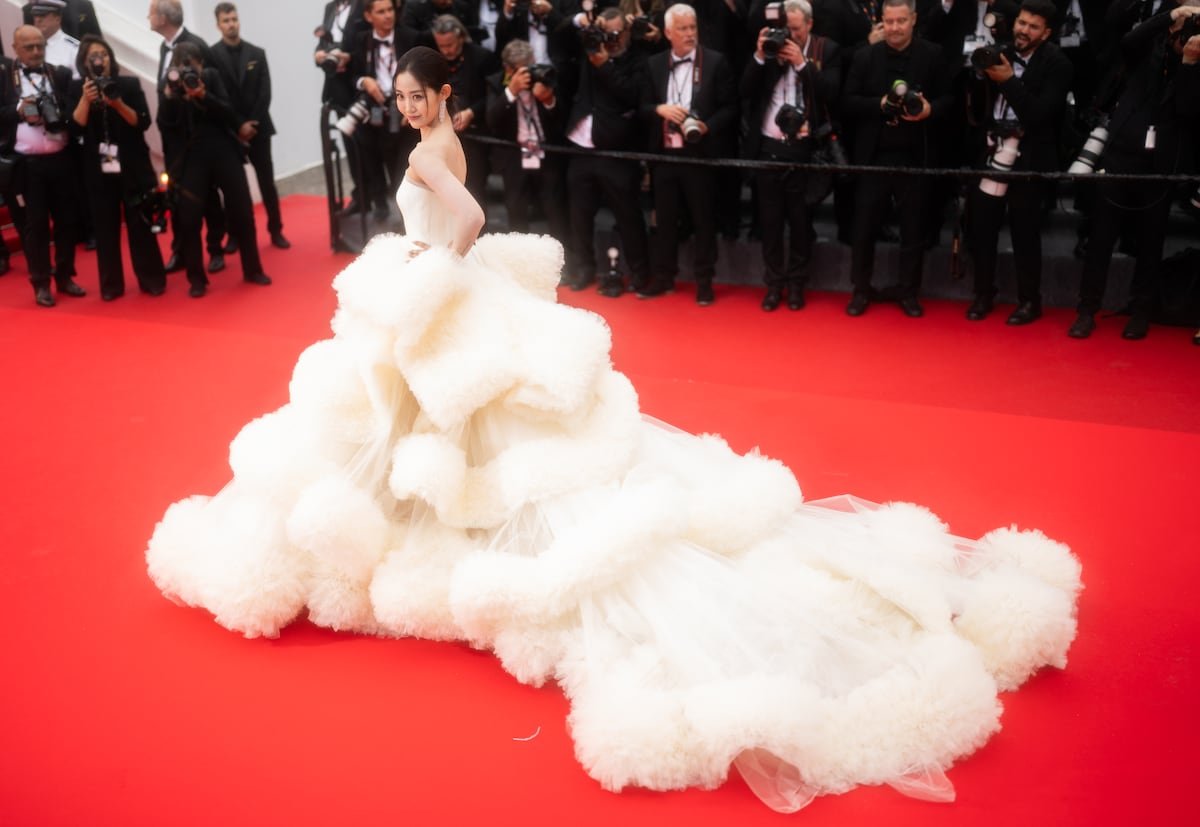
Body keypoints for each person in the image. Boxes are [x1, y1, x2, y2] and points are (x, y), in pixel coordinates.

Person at [145, 44, 1081, 817]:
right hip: (451, 307)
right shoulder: (443, 137)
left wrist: (431, 270)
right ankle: (436, 542)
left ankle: (447, 544)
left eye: (416, 92)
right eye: (399, 92)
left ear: (439, 98)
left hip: (440, 302)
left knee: (463, 441)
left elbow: (467, 218)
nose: (404, 101)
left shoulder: (432, 154)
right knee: (446, 433)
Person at [1068, 3, 1200, 340]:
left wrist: (1189, 62)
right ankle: (1086, 309)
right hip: (1121, 153)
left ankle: (1141, 310)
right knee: (1101, 237)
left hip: (1161, 164)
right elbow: (1128, 41)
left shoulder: (1196, 62)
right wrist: (1171, 17)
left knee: (1152, 240)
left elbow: (1188, 109)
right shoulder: (1146, 49)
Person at [963, 0, 1072, 324]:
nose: (1024, 30)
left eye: (1033, 26)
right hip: (993, 150)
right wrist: (979, 78)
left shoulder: (1059, 64)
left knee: (1026, 232)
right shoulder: (1001, 52)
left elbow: (1039, 116)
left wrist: (1008, 80)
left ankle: (1029, 301)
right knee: (981, 228)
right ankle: (983, 294)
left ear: (1047, 32)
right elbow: (977, 107)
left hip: (1030, 154)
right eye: (1022, 23)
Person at [842, 0, 951, 317]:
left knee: (913, 230)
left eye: (901, 20)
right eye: (889, 21)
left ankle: (909, 292)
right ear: (881, 21)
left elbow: (949, 99)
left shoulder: (933, 55)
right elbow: (847, 102)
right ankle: (861, 290)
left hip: (915, 155)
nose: (894, 27)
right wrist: (878, 105)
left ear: (914, 20)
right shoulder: (864, 56)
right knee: (863, 230)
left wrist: (930, 110)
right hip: (872, 156)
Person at [742, 0, 841, 311]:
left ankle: (797, 283)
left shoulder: (828, 50)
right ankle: (774, 284)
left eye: (796, 30)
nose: (790, 37)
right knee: (769, 223)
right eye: (787, 30)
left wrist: (801, 63)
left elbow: (832, 93)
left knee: (800, 222)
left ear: (809, 25)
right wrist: (760, 55)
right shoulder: (771, 49)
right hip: (769, 144)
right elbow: (745, 91)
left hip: (805, 148)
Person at [638, 3, 736, 305]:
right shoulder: (653, 64)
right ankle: (664, 277)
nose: (690, 33)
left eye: (693, 27)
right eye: (683, 28)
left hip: (699, 157)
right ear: (668, 32)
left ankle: (704, 282)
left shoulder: (717, 62)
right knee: (664, 222)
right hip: (665, 157)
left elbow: (731, 108)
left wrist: (708, 126)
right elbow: (638, 108)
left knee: (703, 221)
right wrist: (658, 109)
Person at [156, 41, 271, 297]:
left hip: (223, 150)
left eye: (192, 65)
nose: (189, 72)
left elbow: (229, 112)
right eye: (182, 65)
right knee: (189, 218)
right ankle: (196, 279)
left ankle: (253, 269)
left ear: (201, 64)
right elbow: (165, 124)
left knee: (242, 209)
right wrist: (170, 98)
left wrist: (203, 95)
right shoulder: (172, 86)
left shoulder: (211, 78)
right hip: (192, 157)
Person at [68, 34, 166, 300]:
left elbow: (142, 122)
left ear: (111, 58)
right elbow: (74, 128)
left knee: (141, 223)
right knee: (105, 226)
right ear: (84, 63)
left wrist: (117, 102)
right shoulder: (76, 89)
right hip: (97, 169)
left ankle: (152, 278)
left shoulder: (129, 84)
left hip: (132, 164)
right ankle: (111, 285)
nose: (100, 60)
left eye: (104, 54)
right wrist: (86, 100)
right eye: (93, 57)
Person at [0, 25, 84, 307]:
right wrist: (17, 110)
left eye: (40, 46)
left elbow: (72, 109)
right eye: (29, 47)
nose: (36, 52)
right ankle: (41, 282)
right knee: (34, 226)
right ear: (15, 49)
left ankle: (64, 275)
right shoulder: (4, 78)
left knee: (67, 222)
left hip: (61, 159)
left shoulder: (57, 73)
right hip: (27, 165)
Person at [149, 0, 227, 274]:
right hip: (174, 137)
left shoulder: (195, 43)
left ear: (162, 18)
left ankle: (215, 248)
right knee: (177, 197)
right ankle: (181, 251)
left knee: (206, 195)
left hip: (197, 137)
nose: (148, 16)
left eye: (151, 11)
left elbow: (215, 84)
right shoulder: (163, 47)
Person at [210, 2, 290, 249]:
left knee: (267, 182)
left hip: (259, 129)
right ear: (218, 24)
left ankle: (276, 230)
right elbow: (218, 95)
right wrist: (237, 125)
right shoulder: (211, 56)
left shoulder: (258, 53)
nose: (231, 24)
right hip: (229, 132)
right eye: (226, 20)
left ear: (238, 20)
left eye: (234, 19)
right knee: (232, 188)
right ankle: (234, 235)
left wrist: (251, 123)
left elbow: (265, 93)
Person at [485, 38, 569, 238]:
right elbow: (492, 121)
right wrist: (511, 91)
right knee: (516, 214)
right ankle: (521, 262)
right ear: (509, 69)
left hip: (546, 153)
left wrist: (548, 100)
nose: (530, 74)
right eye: (524, 70)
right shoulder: (496, 83)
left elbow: (563, 120)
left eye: (531, 66)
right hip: (515, 156)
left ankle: (566, 263)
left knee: (556, 213)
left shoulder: (546, 78)